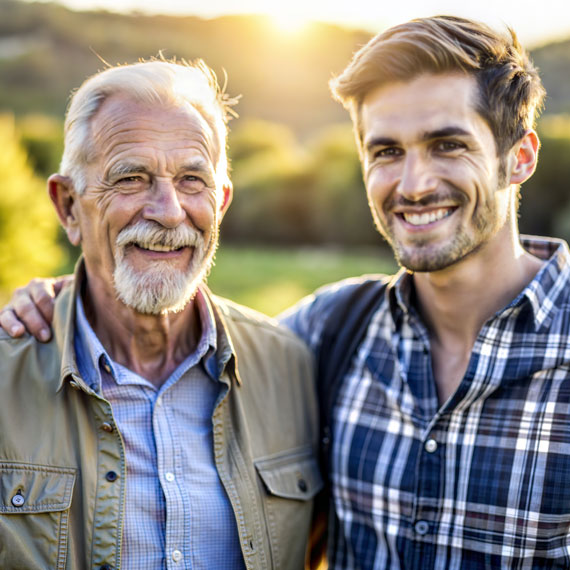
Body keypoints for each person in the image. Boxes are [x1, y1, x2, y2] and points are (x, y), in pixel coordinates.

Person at [3, 15, 569, 570]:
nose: (415, 184)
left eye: (448, 145)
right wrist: (68, 299)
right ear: (68, 206)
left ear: (520, 156)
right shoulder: (330, 333)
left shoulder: (298, 352)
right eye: (386, 151)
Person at [0, 59, 321, 570]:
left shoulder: (294, 370)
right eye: (131, 178)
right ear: (67, 206)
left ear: (221, 203)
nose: (169, 211)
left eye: (193, 180)